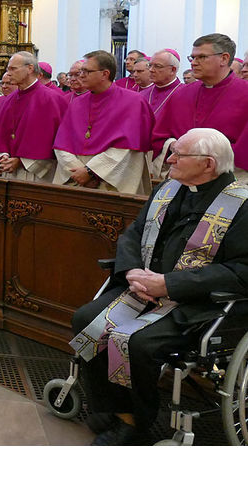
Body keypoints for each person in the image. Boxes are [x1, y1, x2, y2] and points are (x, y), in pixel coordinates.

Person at [69, 128, 248, 446]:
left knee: (138, 343)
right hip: (142, 288)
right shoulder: (168, 190)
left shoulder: (241, 206)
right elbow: (134, 233)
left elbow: (240, 271)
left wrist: (169, 284)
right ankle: (107, 405)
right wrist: (133, 272)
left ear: (208, 164)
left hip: (196, 301)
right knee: (86, 320)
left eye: (179, 154)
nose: (170, 158)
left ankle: (134, 422)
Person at [52, 50, 154, 195]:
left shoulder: (133, 102)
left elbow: (129, 149)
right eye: (81, 71)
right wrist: (77, 172)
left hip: (114, 181)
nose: (81, 75)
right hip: (76, 180)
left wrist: (91, 172)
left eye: (86, 71)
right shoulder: (77, 103)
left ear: (105, 74)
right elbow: (62, 143)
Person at [153, 33, 248, 181]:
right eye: (192, 57)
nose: (194, 63)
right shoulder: (181, 94)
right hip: (181, 177)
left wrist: (209, 158)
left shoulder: (245, 94)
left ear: (224, 58)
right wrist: (175, 146)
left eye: (201, 57)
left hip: (229, 178)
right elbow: (160, 136)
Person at [0, 52, 66, 182]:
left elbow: (51, 140)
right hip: (9, 171)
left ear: (30, 69)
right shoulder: (9, 100)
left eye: (13, 69)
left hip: (37, 174)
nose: (8, 73)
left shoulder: (51, 99)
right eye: (7, 69)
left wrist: (21, 161)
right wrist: (3, 155)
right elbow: (1, 134)